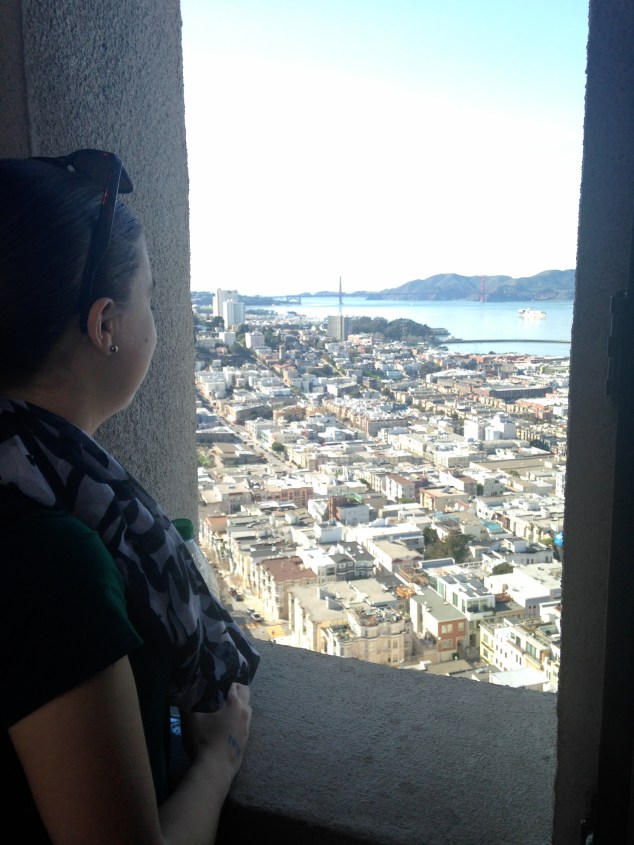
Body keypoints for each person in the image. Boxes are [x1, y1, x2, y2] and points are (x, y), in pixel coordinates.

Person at [0, 150, 260, 843]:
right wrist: (219, 755)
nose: (161, 320)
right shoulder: (51, 558)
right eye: (152, 294)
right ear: (105, 325)